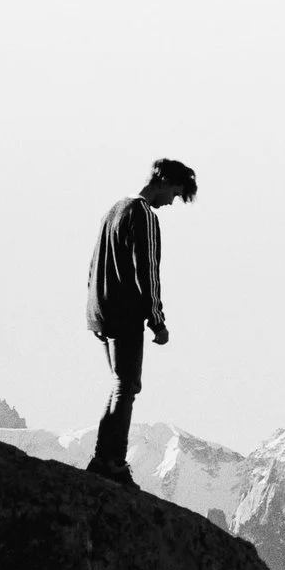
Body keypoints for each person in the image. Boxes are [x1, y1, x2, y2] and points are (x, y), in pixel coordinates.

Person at [85, 157, 197, 485]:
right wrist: (157, 320)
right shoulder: (143, 214)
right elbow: (146, 270)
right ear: (163, 182)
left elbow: (94, 263)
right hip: (125, 312)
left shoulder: (114, 210)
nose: (172, 202)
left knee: (122, 383)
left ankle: (104, 457)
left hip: (101, 311)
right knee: (127, 385)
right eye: (175, 193)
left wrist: (93, 310)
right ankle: (112, 461)